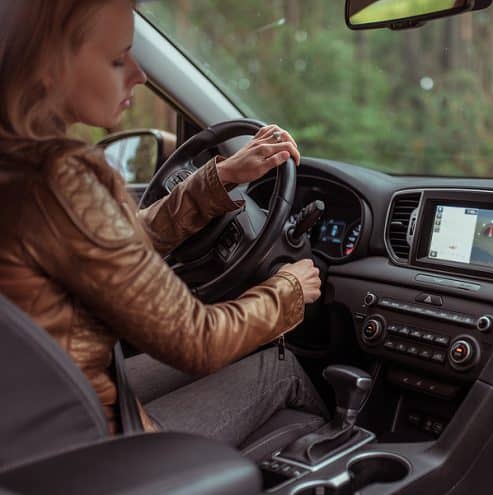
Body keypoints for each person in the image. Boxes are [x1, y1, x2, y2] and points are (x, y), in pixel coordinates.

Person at [0, 0, 329, 447]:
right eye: (117, 59)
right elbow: (198, 340)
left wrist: (220, 178)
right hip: (92, 445)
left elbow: (118, 245)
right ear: (46, 67)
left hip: (40, 418)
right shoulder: (57, 179)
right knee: (278, 366)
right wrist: (288, 290)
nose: (139, 74)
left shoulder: (19, 170)